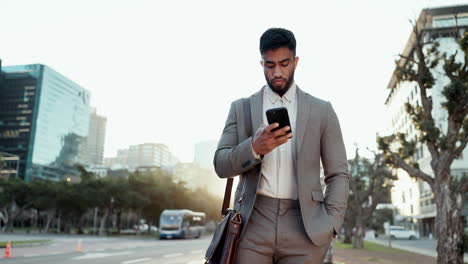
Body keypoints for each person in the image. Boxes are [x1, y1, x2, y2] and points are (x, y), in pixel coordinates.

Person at [214, 28, 349, 264]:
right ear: (261, 64)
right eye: (269, 65)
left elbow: (338, 174)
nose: (277, 71)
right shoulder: (241, 108)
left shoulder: (322, 111)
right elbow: (220, 164)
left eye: (284, 63)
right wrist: (254, 148)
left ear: (295, 62)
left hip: (305, 226)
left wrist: (331, 225)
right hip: (252, 225)